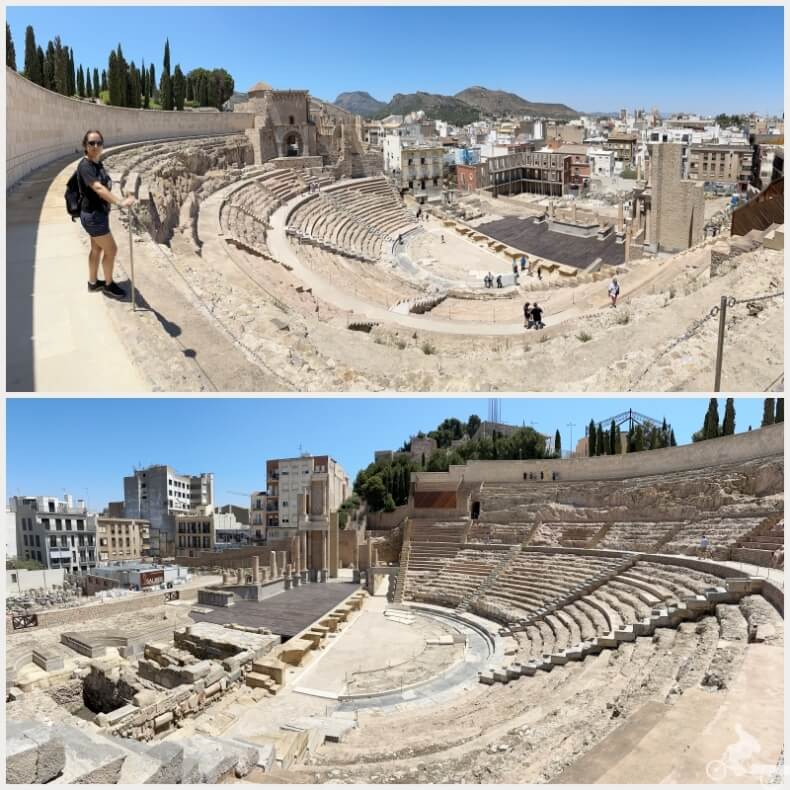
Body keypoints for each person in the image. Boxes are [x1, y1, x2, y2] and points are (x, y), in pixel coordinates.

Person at [77, 129, 135, 297]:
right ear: (85, 146)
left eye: (99, 143)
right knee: (112, 250)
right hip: (94, 217)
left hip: (97, 214)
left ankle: (93, 283)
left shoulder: (97, 163)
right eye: (91, 143)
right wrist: (120, 202)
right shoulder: (85, 166)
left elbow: (104, 184)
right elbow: (98, 188)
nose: (95, 146)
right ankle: (109, 285)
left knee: (97, 249)